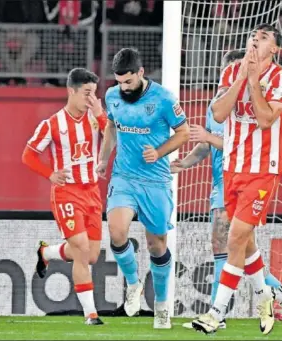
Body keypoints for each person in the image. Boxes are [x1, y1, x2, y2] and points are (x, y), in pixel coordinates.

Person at [173, 49, 282, 330]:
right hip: (224, 181)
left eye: (239, 66)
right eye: (230, 68)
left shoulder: (253, 99)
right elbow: (205, 143)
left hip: (245, 178)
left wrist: (209, 137)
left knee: (228, 241)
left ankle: (218, 313)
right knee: (241, 244)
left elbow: (235, 142)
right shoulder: (219, 103)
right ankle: (278, 293)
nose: (234, 72)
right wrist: (184, 164)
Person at [96, 48, 190, 329]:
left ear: (140, 72)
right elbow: (111, 127)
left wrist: (159, 152)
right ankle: (133, 285)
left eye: (128, 81)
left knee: (156, 245)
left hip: (156, 181)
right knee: (116, 231)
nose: (123, 87)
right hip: (124, 176)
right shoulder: (112, 96)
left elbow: (184, 132)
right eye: (119, 81)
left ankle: (162, 306)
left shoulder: (163, 99)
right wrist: (103, 159)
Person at [22, 68, 106, 325]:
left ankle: (47, 253)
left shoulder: (96, 118)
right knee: (81, 250)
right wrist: (50, 173)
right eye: (86, 93)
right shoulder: (52, 124)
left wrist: (101, 114)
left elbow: (115, 137)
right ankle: (91, 314)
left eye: (94, 93)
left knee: (91, 255)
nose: (91, 98)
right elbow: (28, 155)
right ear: (72, 91)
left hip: (92, 191)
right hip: (67, 193)